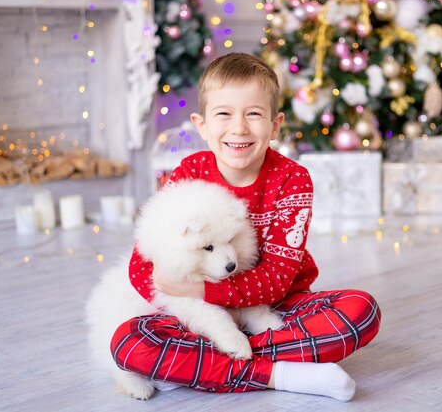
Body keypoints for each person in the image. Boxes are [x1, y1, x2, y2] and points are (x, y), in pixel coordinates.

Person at [111, 52, 381, 402]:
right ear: (201, 124)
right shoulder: (188, 173)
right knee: (127, 341)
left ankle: (200, 368)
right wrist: (204, 308)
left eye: (253, 114)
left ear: (275, 125)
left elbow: (278, 277)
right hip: (198, 317)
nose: (239, 128)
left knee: (361, 312)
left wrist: (208, 295)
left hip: (279, 305)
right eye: (223, 114)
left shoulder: (292, 180)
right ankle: (281, 373)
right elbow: (143, 267)